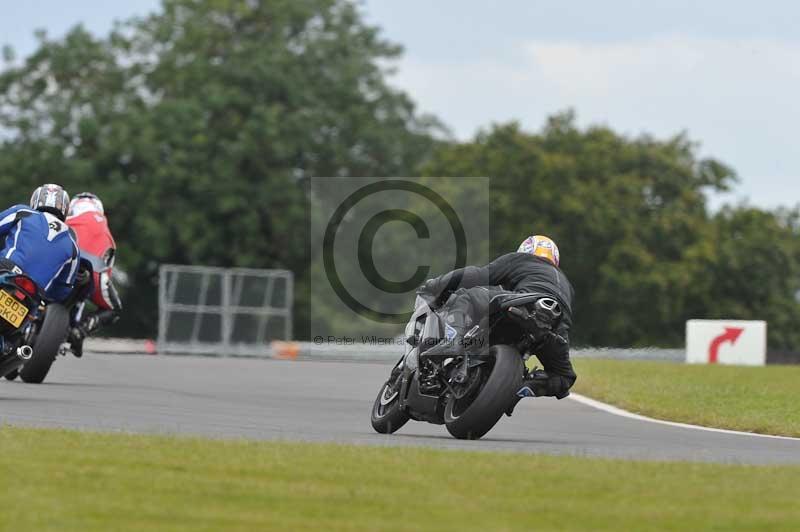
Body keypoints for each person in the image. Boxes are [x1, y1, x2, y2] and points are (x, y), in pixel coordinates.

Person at [418, 235, 577, 400]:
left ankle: (454, 341)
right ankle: (520, 389)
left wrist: (437, 285)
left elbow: (477, 275)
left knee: (465, 297)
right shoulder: (566, 284)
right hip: (555, 325)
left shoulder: (521, 259)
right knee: (564, 377)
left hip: (524, 303)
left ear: (526, 250)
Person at [0, 184, 80, 303]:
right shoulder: (74, 247)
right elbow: (63, 289)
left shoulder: (23, 212)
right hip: (33, 294)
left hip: (6, 270)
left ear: (36, 199)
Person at [65, 192, 122, 357]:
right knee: (114, 309)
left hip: (64, 262)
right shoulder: (106, 232)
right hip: (95, 271)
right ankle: (80, 330)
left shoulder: (65, 218)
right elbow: (107, 269)